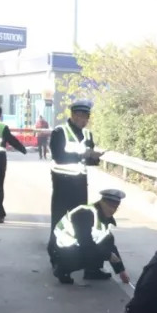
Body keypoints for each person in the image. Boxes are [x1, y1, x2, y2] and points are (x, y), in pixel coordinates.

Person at [47, 100, 102, 265]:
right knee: (59, 219)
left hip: (80, 182)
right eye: (79, 116)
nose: (83, 120)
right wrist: (81, 156)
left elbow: (87, 160)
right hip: (62, 183)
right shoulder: (59, 132)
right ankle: (55, 255)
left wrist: (93, 158)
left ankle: (78, 257)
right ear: (72, 115)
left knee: (81, 219)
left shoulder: (88, 134)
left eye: (86, 117)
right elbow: (58, 156)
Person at [50, 189, 131, 285]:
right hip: (61, 248)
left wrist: (121, 270)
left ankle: (92, 271)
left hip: (75, 245)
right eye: (110, 206)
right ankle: (62, 270)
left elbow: (109, 244)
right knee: (93, 250)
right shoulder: (85, 214)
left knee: (105, 243)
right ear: (102, 202)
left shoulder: (104, 218)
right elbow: (85, 243)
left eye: (115, 207)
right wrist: (108, 255)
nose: (112, 210)